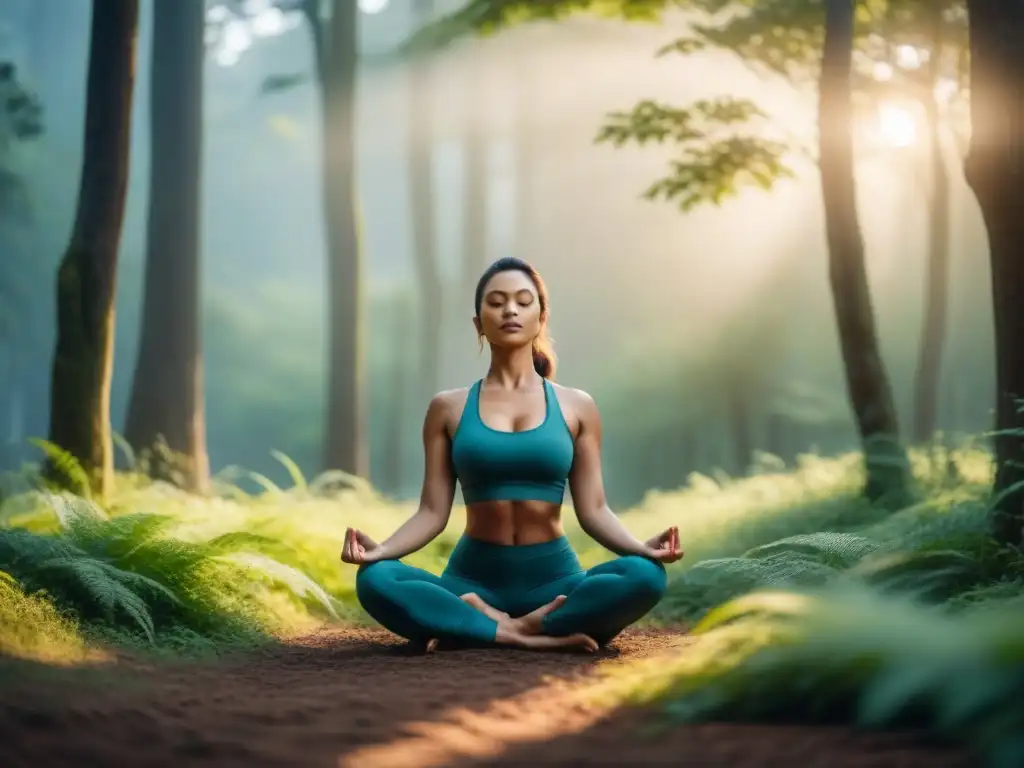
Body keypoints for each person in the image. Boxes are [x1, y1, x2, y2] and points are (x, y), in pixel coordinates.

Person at [340, 257, 684, 652]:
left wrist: (641, 548)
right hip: (471, 582)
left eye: (523, 301)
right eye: (496, 301)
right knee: (375, 578)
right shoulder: (447, 407)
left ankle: (475, 625)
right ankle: (531, 634)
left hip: (555, 582)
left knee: (646, 576)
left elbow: (594, 510)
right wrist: (381, 551)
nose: (510, 310)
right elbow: (432, 512)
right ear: (478, 323)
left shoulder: (577, 406)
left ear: (541, 318)